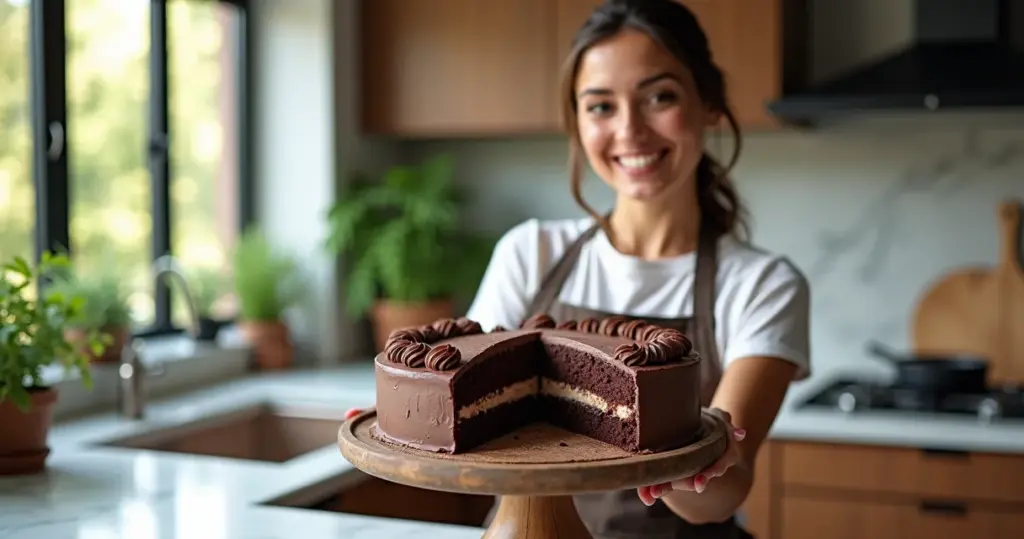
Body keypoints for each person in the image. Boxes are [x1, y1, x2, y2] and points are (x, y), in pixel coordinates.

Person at [345, 0, 811, 537]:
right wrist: (407, 427)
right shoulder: (531, 252)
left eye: (659, 97)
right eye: (600, 106)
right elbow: (465, 406)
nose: (630, 130)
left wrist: (699, 463)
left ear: (709, 103)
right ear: (576, 123)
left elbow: (724, 493)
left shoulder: (762, 285)